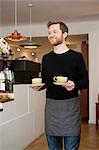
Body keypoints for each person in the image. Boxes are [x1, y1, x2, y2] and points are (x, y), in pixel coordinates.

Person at [33, 21, 89, 150]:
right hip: (51, 109)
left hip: (70, 109)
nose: (50, 35)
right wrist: (39, 86)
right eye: (49, 33)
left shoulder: (76, 57)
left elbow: (85, 82)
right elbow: (46, 81)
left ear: (65, 34)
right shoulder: (46, 58)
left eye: (54, 32)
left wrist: (74, 84)